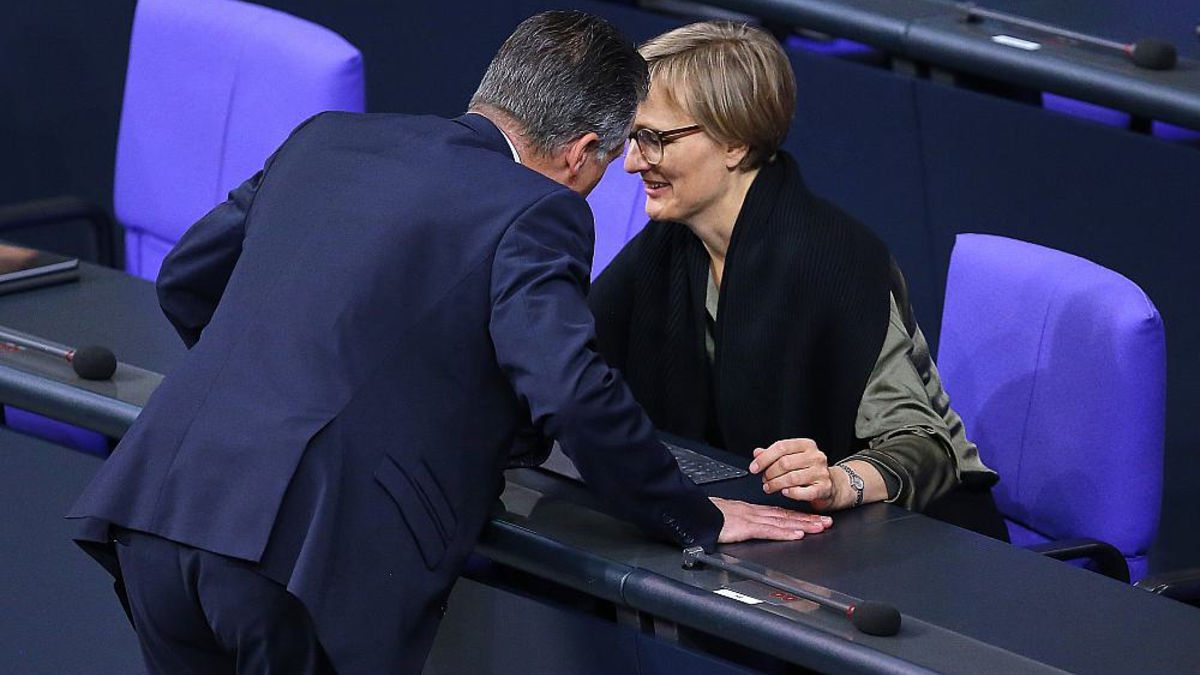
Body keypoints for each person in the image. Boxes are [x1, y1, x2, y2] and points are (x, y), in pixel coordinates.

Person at [67, 12, 831, 675]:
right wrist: (691, 513)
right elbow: (567, 385)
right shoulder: (539, 208)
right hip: (293, 558)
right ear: (583, 151)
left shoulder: (327, 140)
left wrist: (271, 386)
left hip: (157, 506)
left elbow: (185, 279)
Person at [589, 21, 1007, 539]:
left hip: (917, 540)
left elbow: (925, 444)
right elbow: (573, 358)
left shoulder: (834, 261)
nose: (631, 162)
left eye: (654, 139)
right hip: (777, 526)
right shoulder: (670, 245)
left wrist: (836, 480)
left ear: (734, 144)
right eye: (632, 136)